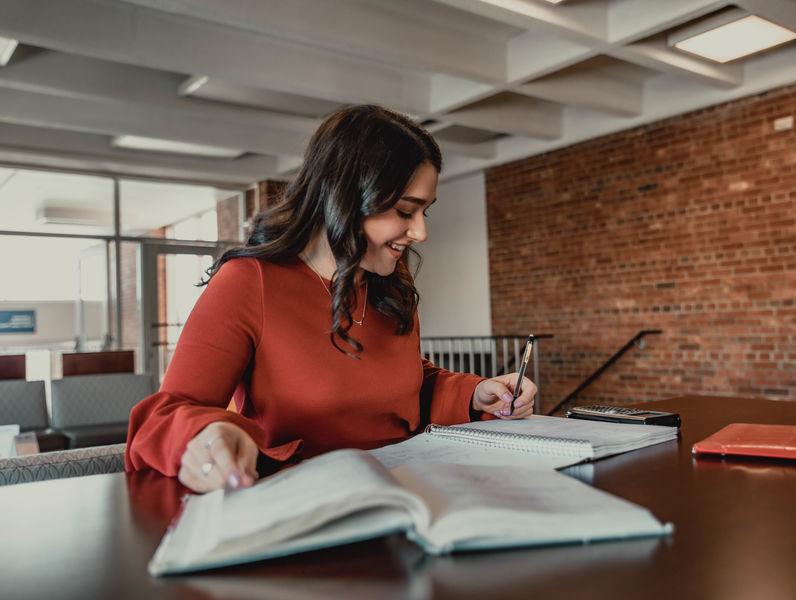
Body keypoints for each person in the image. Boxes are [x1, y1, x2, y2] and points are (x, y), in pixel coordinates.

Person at [125, 105, 536, 493]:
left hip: (410, 489)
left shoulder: (390, 280)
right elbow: (163, 416)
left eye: (424, 211)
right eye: (405, 210)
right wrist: (204, 436)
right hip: (302, 504)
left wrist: (474, 391)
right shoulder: (250, 282)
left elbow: (404, 385)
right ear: (344, 197)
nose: (420, 232)